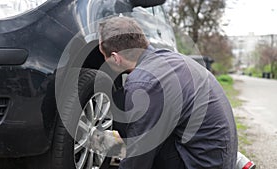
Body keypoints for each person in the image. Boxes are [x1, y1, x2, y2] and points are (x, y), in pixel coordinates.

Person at [97, 16, 238, 169]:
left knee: (137, 131)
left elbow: (140, 156)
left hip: (199, 164)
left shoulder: (143, 83)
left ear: (116, 58)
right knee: (123, 103)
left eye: (104, 56)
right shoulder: (168, 59)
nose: (104, 61)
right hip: (217, 157)